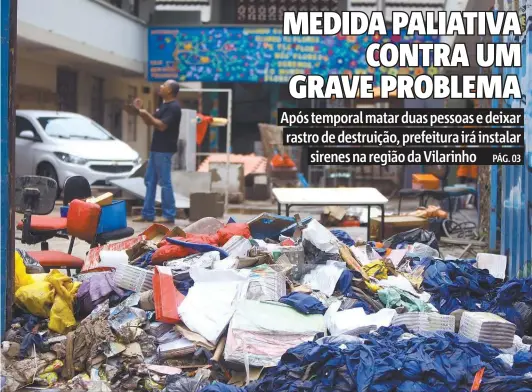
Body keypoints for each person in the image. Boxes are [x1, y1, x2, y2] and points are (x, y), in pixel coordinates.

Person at [132, 79, 182, 224]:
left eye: (164, 85)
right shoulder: (163, 106)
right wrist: (140, 111)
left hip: (164, 149)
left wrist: (143, 112)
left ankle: (169, 214)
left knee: (165, 182)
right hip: (156, 148)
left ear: (170, 91)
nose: (161, 87)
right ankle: (147, 213)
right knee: (150, 181)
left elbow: (161, 126)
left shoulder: (174, 107)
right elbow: (151, 121)